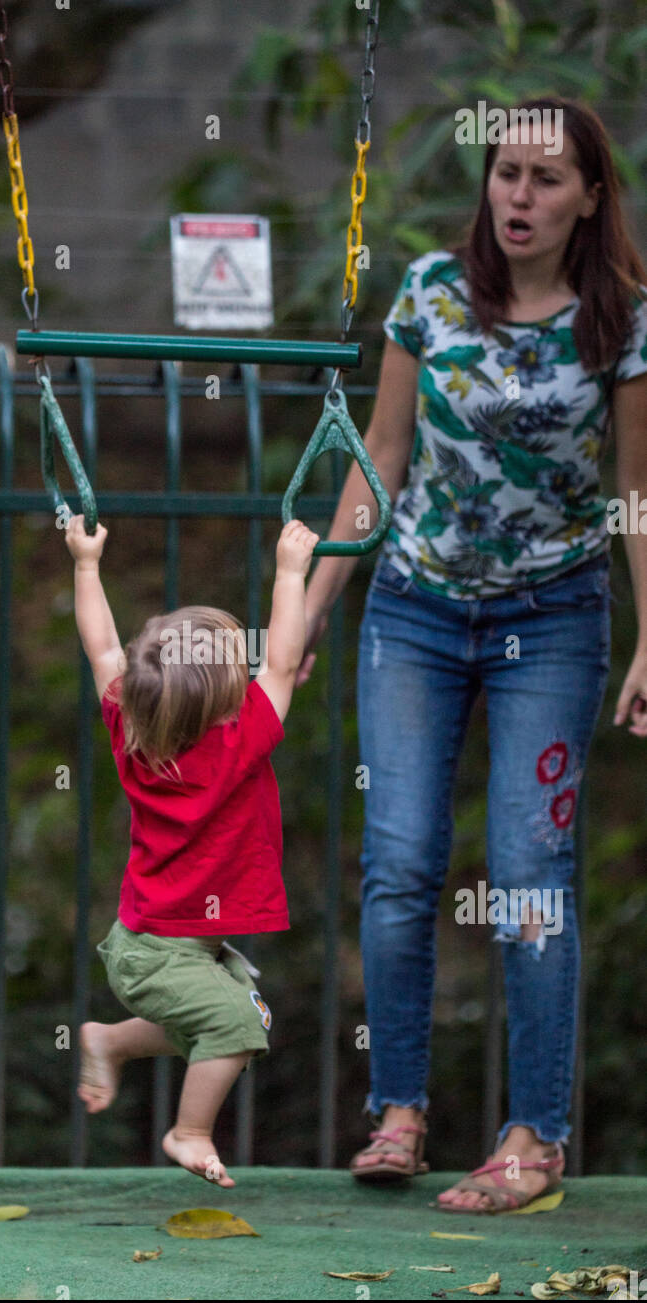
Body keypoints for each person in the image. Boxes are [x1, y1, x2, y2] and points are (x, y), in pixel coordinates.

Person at [296, 95, 647, 1212]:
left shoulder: (621, 319)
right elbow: (380, 457)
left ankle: (533, 1134)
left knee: (528, 878)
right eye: (504, 173)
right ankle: (396, 1111)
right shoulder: (429, 294)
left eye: (545, 179)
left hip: (549, 620)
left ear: (589, 195)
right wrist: (305, 612)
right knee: (398, 864)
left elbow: (634, 495)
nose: (518, 196)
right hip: (413, 611)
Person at [66, 514, 319, 1188]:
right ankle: (189, 1130)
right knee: (237, 1027)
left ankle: (111, 1039)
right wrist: (291, 575)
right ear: (223, 702)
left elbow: (102, 652)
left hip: (150, 945)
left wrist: (87, 565)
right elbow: (285, 661)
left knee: (240, 1020)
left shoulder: (133, 732)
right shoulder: (238, 744)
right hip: (160, 950)